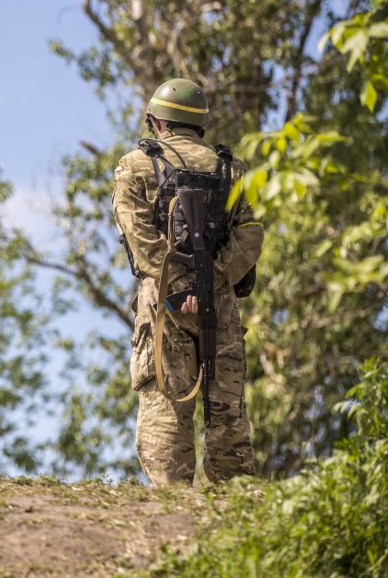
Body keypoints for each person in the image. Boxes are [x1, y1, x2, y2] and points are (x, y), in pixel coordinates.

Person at [112, 78, 264, 485]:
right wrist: (212, 282)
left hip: (163, 304)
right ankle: (235, 509)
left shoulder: (135, 165)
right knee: (227, 413)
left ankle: (172, 509)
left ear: (156, 122)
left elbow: (138, 234)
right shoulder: (233, 170)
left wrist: (178, 286)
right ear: (201, 124)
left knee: (165, 407)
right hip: (221, 307)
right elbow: (250, 233)